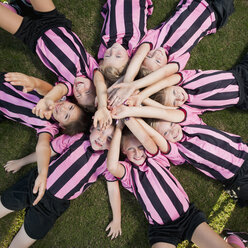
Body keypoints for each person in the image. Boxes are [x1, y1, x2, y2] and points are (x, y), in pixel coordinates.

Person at [107, 116, 247, 248]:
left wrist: (126, 119)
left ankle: (236, 240)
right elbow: (112, 166)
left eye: (140, 147)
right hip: (162, 230)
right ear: (123, 151)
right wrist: (118, 129)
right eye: (130, 149)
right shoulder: (128, 173)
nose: (137, 153)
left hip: (188, 218)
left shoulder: (156, 159)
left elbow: (146, 140)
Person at [0, 124, 121, 248]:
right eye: (100, 130)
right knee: (5, 204)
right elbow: (47, 152)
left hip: (54, 205)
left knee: (29, 236)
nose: (101, 138)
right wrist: (21, 162)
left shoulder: (108, 163)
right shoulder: (77, 138)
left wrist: (117, 219)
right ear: (91, 128)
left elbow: (113, 190)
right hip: (36, 182)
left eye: (110, 138)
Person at [111, 103, 248, 207]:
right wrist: (129, 117)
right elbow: (152, 136)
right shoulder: (178, 152)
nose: (173, 130)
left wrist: (133, 107)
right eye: (166, 133)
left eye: (171, 124)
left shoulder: (191, 122)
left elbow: (164, 112)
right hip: (236, 179)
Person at [106, 0, 234, 107]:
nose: (156, 54)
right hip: (216, 13)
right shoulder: (177, 58)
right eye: (157, 61)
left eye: (149, 56)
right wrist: (136, 89)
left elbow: (139, 55)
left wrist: (128, 82)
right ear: (164, 66)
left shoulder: (155, 39)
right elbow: (162, 74)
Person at [0, 71, 91, 205]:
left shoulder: (49, 126)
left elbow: (43, 146)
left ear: (62, 126)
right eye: (70, 107)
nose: (63, 109)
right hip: (6, 83)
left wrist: (43, 173)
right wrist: (34, 82)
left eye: (66, 116)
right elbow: (45, 88)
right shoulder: (59, 98)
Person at [0, 0, 98, 112]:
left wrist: (49, 99)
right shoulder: (91, 69)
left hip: (32, 35)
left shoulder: (68, 85)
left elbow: (59, 91)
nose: (80, 89)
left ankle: (17, 8)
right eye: (88, 91)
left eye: (79, 96)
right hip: (53, 21)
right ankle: (23, 6)